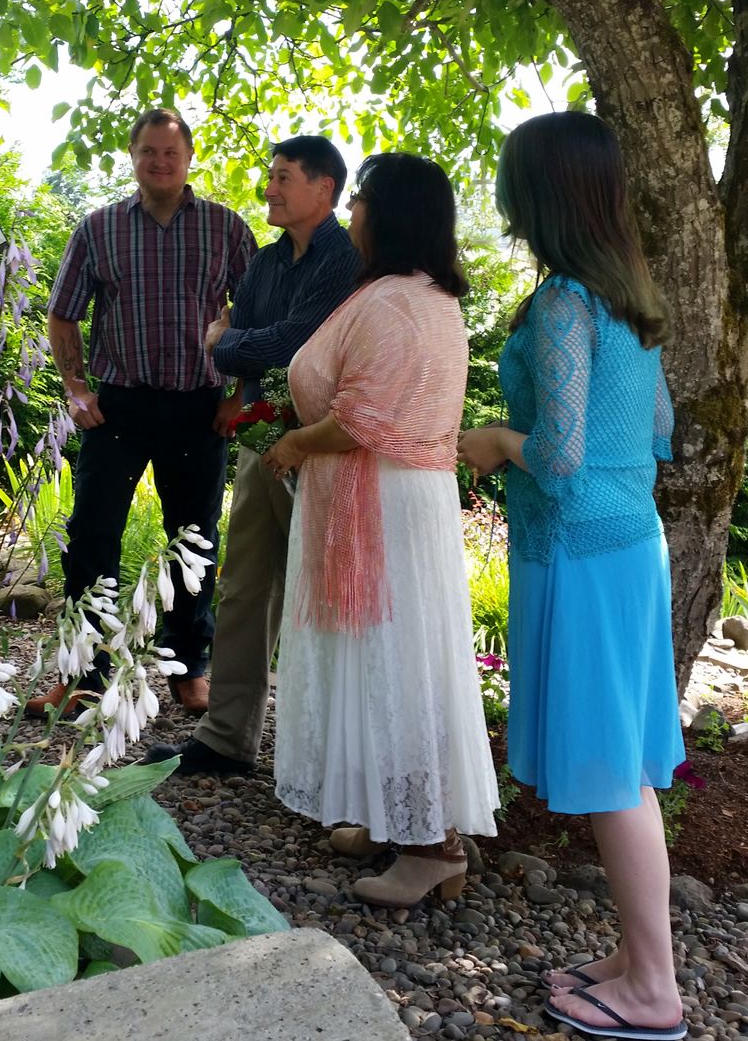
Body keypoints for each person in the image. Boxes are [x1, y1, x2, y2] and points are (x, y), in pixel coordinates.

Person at [458, 112, 686, 1040]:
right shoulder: (628, 299)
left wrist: (491, 441)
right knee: (621, 765)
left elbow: (558, 454)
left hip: (584, 559)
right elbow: (660, 427)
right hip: (630, 548)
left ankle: (655, 990)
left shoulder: (563, 302)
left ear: (539, 193)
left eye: (512, 182)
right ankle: (637, 959)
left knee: (613, 774)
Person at [262, 153, 500, 907]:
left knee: (398, 661)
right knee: (380, 659)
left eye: (360, 199)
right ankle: (392, 814)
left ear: (389, 214)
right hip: (397, 503)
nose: (353, 212)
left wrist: (296, 443)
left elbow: (362, 419)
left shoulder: (398, 301)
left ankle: (433, 844)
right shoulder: (420, 295)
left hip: (384, 507)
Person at [26, 107, 257, 718]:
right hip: (118, 407)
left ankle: (187, 669)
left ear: (189, 160)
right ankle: (84, 674)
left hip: (198, 407)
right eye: (149, 152)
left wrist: (238, 398)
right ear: (132, 157)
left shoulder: (226, 229)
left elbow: (255, 315)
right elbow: (63, 312)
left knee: (195, 541)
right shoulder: (97, 230)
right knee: (92, 537)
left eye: (171, 154)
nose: (160, 162)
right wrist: (76, 390)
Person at [142, 135, 359, 774]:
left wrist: (229, 343)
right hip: (264, 441)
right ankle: (224, 739)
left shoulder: (344, 261)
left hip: (319, 446)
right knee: (242, 589)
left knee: (313, 597)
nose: (269, 188)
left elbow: (293, 346)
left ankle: (319, 755)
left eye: (284, 177)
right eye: (270, 176)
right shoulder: (264, 263)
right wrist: (238, 362)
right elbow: (250, 346)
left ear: (325, 188)